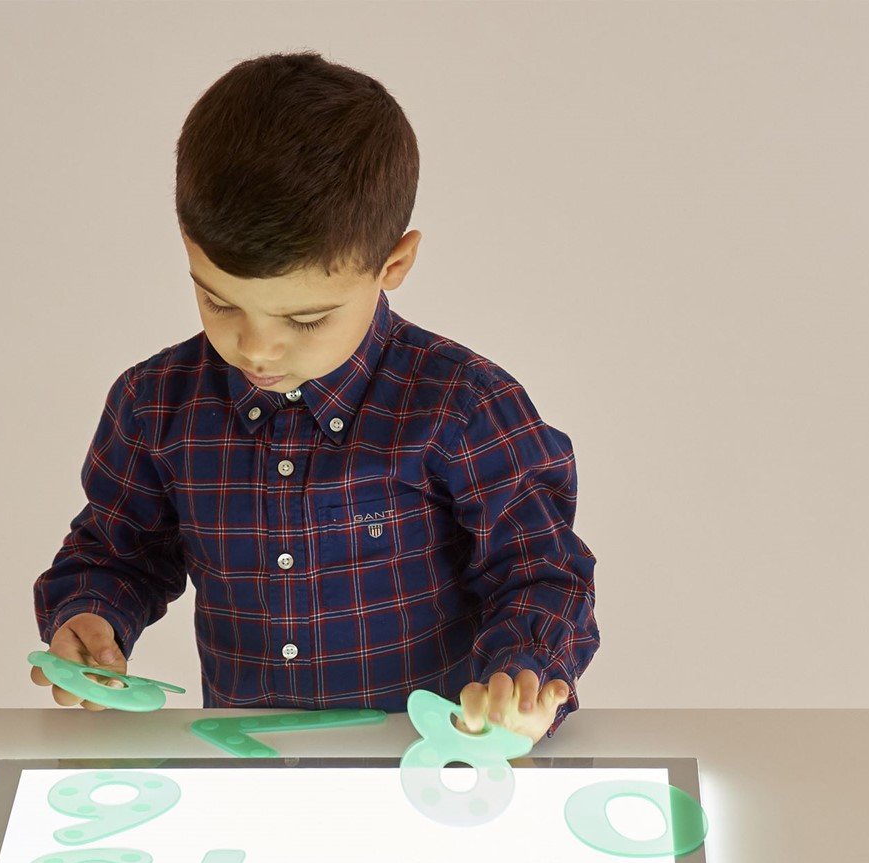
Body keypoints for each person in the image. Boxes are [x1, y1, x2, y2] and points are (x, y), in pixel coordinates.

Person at [30, 51, 598, 744]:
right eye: (219, 302)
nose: (256, 349)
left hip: (435, 767)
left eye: (304, 320)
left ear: (393, 265)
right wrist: (89, 615)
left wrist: (522, 676)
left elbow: (538, 571)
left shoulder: (464, 406)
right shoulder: (155, 406)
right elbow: (119, 552)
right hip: (249, 771)